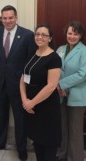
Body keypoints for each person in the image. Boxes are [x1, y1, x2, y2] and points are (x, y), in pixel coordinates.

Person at [0, 5, 36, 161]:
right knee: (0, 116)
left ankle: (21, 148)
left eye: (10, 18)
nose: (7, 21)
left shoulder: (27, 35)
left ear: (16, 17)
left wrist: (27, 86)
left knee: (20, 119)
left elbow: (30, 62)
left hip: (18, 86)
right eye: (4, 18)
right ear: (1, 19)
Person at [20, 24, 62, 161]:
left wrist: (31, 102)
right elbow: (22, 78)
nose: (40, 37)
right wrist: (25, 100)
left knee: (48, 142)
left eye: (44, 35)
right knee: (37, 140)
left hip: (46, 106)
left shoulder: (54, 58)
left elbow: (51, 86)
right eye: (37, 34)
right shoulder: (32, 53)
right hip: (31, 106)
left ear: (50, 38)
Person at [56, 21, 86, 161]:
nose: (71, 36)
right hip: (60, 95)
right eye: (69, 33)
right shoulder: (60, 49)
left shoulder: (85, 51)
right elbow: (56, 69)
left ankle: (75, 158)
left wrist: (61, 84)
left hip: (77, 96)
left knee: (75, 131)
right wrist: (59, 88)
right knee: (63, 129)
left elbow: (82, 74)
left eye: (75, 34)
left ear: (81, 35)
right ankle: (63, 156)